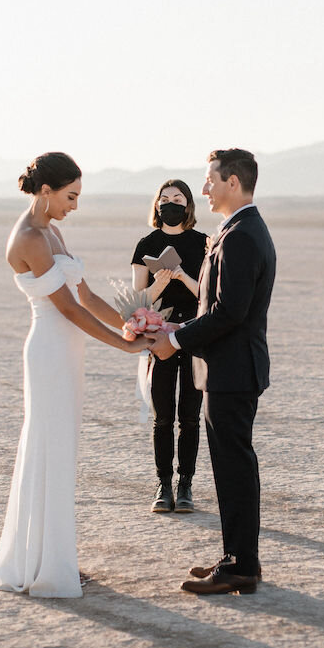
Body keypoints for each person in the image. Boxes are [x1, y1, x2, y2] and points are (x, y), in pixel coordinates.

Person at [0, 152, 148, 598]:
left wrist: (133, 320)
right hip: (49, 350)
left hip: (69, 350)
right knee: (48, 449)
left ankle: (56, 556)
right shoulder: (29, 237)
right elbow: (65, 309)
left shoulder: (53, 229)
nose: (75, 206)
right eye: (70, 196)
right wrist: (124, 346)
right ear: (45, 191)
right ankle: (44, 565)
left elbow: (84, 296)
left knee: (61, 450)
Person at [147, 148, 276, 595]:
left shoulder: (241, 235)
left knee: (235, 469)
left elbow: (229, 313)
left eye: (210, 180)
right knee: (230, 468)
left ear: (233, 183)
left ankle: (240, 566)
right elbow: (217, 306)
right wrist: (174, 326)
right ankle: (237, 557)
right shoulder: (237, 230)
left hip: (232, 371)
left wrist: (176, 339)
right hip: (227, 369)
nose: (204, 188)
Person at [130, 180, 208, 513]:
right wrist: (158, 285)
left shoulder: (203, 244)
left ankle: (185, 484)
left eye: (177, 199)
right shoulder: (145, 244)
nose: (170, 204)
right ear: (156, 205)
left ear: (188, 205)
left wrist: (182, 277)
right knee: (163, 418)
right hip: (159, 339)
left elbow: (209, 295)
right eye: (164, 199)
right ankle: (163, 485)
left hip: (194, 335)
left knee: (189, 417)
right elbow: (137, 302)